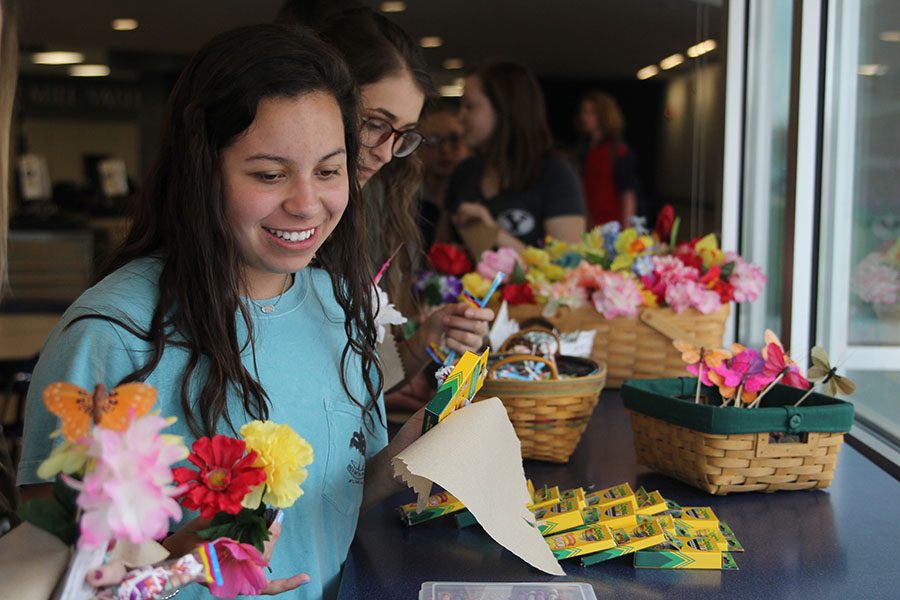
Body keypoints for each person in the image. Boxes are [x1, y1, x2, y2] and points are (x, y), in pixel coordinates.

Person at [17, 24, 424, 600]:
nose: (308, 202)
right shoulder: (113, 336)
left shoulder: (345, 305)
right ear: (200, 170)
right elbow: (47, 564)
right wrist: (178, 562)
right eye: (269, 174)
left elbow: (340, 494)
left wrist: (421, 447)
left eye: (330, 171)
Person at [280, 4, 494, 400]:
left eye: (403, 134)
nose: (385, 152)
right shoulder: (277, 220)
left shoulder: (377, 201)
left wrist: (430, 336)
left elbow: (372, 379)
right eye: (375, 123)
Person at [447, 60, 586, 250]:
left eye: (470, 106)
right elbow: (441, 256)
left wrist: (492, 233)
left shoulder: (554, 174)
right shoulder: (465, 171)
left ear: (503, 109)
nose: (460, 117)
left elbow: (568, 268)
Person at [577, 91, 641, 227]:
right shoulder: (584, 151)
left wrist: (626, 229)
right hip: (589, 226)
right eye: (584, 112)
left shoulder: (618, 151)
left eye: (591, 113)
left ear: (603, 116)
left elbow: (627, 194)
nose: (585, 117)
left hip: (611, 229)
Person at [417, 102, 470, 248]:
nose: (445, 150)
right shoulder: (405, 199)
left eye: (454, 139)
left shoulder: (478, 196)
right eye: (433, 141)